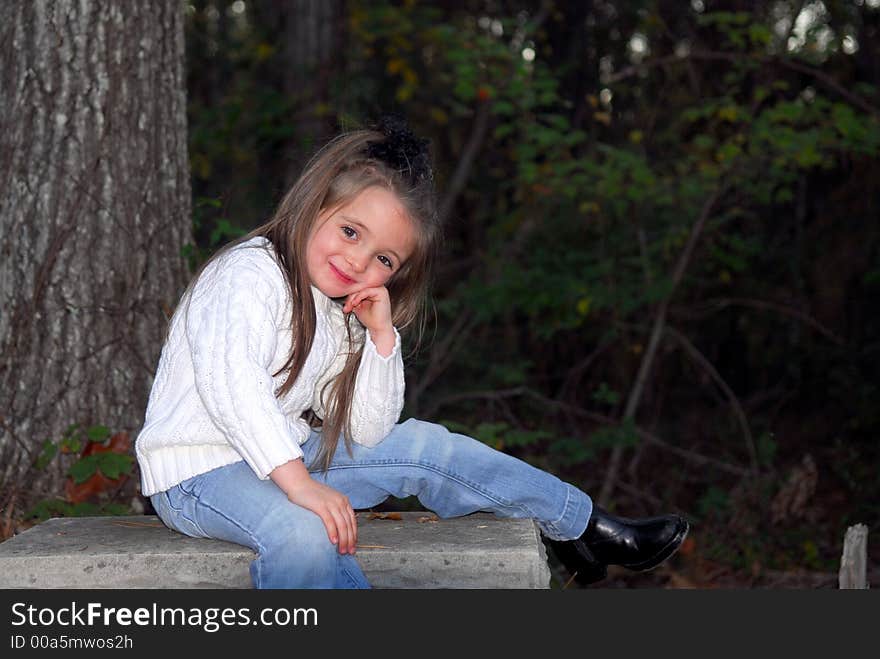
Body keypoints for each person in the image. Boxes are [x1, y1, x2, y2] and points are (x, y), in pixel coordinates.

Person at [135, 116, 688, 589]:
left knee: (425, 445)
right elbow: (233, 386)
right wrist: (301, 486)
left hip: (280, 459)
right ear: (314, 203)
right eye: (351, 232)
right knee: (300, 530)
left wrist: (379, 339)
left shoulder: (338, 308)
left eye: (384, 260)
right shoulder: (248, 272)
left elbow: (369, 432)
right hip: (198, 473)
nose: (358, 263)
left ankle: (582, 526)